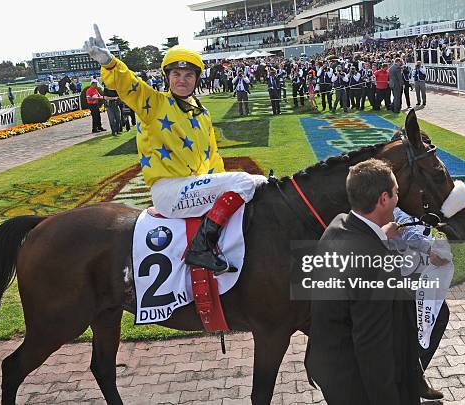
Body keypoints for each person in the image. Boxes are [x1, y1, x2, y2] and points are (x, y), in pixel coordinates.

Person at [84, 24, 266, 273]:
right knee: (246, 182)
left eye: (188, 75)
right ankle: (200, 248)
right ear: (168, 78)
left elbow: (212, 158)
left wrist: (222, 180)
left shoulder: (202, 114)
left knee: (257, 182)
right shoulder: (155, 104)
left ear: (196, 79)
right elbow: (130, 85)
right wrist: (109, 62)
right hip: (169, 192)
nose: (182, 80)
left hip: (196, 188)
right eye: (176, 75)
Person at [305, 159, 421, 405]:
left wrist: (380, 235)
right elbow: (372, 347)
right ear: (383, 199)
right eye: (396, 193)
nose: (398, 198)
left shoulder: (338, 225)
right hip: (353, 381)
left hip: (327, 361)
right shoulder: (375, 264)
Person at [390, 207, 451, 401]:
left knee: (432, 318)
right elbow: (404, 226)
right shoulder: (399, 195)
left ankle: (412, 376)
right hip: (399, 273)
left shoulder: (419, 198)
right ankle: (410, 378)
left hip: (413, 270)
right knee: (436, 317)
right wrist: (430, 247)